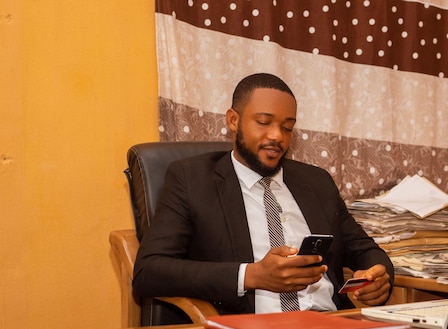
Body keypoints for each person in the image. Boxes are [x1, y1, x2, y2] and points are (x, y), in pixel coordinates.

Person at [133, 73, 393, 315]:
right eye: (263, 122)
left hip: (331, 327)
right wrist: (252, 275)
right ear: (233, 120)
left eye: (288, 127)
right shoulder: (192, 179)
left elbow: (365, 250)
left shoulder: (316, 182)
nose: (277, 136)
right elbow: (149, 272)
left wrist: (379, 275)